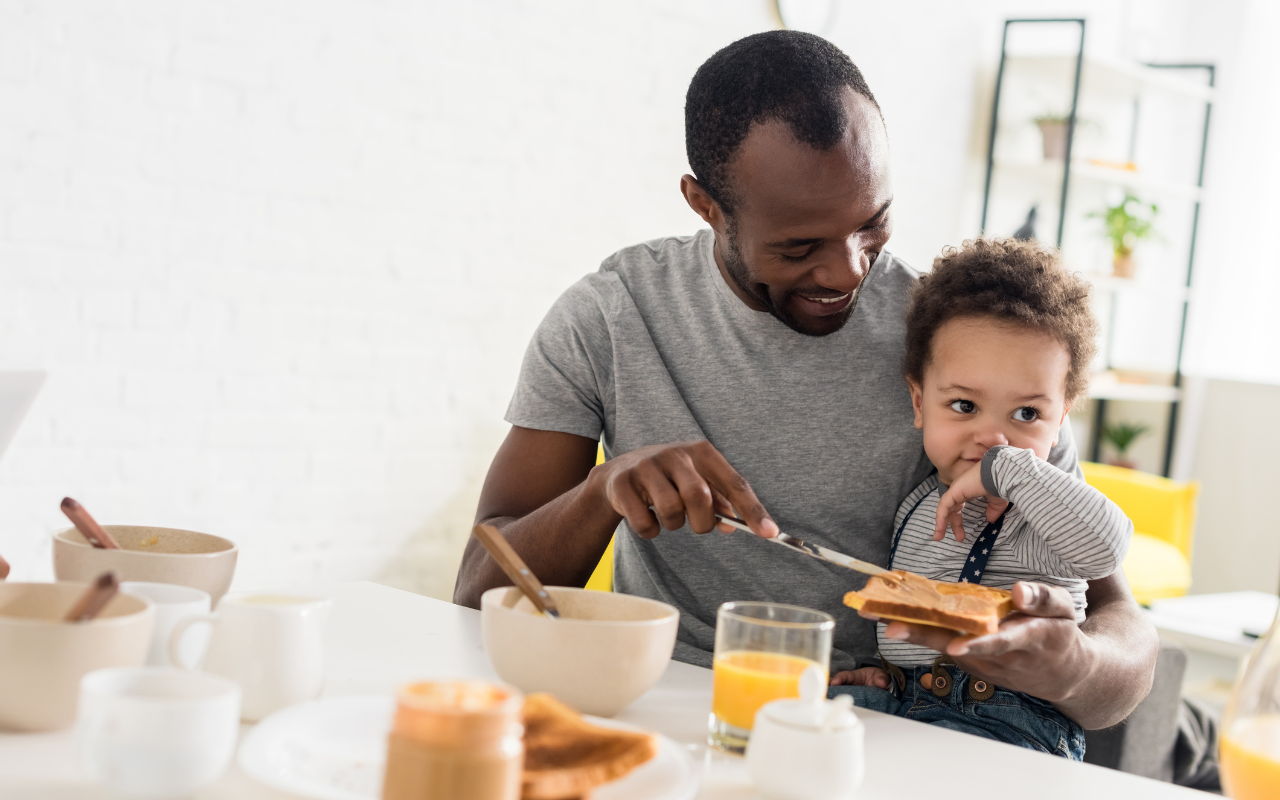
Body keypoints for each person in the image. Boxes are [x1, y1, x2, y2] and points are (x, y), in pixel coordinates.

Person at [454, 30, 1158, 731]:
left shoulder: (962, 343)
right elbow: (477, 593)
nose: (849, 270)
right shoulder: (611, 317)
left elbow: (1119, 643)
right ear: (706, 205)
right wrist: (601, 492)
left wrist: (1072, 667)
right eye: (799, 247)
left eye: (872, 224)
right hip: (678, 709)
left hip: (892, 724)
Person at [828, 237, 1132, 760]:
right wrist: (888, 675)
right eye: (965, 405)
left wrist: (1012, 469)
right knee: (812, 716)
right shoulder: (916, 503)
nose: (994, 437)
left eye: (1027, 415)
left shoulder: (1042, 512)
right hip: (907, 700)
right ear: (920, 403)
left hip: (1010, 721)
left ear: (1063, 419)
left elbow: (1108, 548)